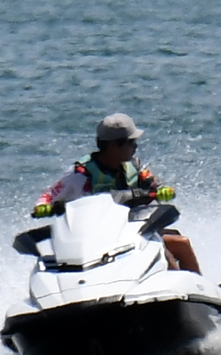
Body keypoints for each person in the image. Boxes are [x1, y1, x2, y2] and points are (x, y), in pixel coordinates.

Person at [33, 112, 202, 273]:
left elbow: (154, 183)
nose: (135, 147)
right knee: (161, 250)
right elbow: (49, 195)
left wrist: (163, 190)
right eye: (131, 142)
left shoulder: (134, 166)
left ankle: (197, 290)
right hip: (96, 240)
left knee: (180, 242)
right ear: (114, 145)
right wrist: (43, 207)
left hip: (132, 232)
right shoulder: (81, 173)